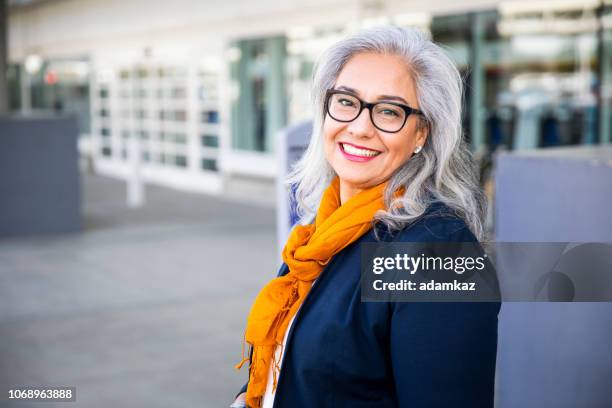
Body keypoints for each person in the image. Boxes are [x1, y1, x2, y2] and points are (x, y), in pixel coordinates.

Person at [231, 25, 499, 408]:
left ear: (421, 133)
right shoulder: (322, 232)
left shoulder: (440, 255)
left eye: (389, 111)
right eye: (345, 102)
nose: (359, 127)